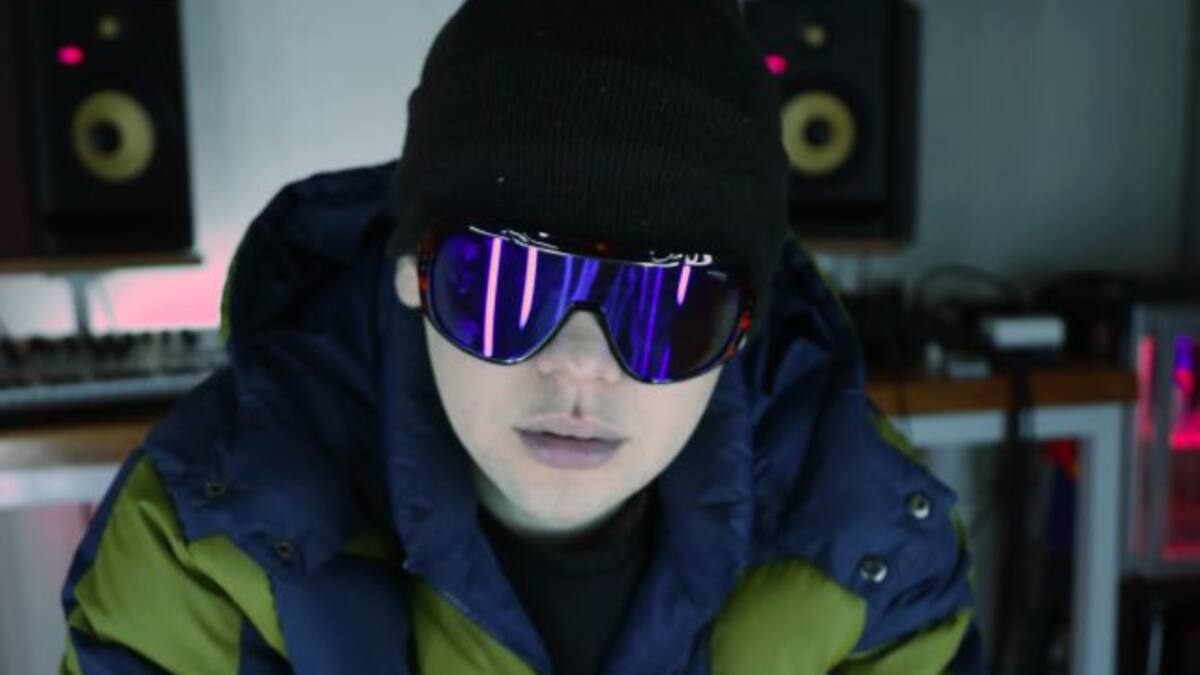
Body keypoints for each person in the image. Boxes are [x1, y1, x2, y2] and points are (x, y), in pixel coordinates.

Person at [59, 0, 982, 673]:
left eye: (667, 310)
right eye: (510, 285)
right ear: (413, 275)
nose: (579, 365)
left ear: (743, 328)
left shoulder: (878, 559)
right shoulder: (200, 546)